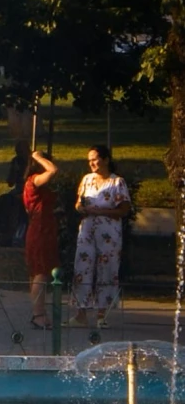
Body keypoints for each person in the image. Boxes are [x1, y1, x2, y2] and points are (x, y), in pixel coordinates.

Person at [72, 143, 131, 341]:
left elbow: (124, 209)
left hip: (109, 231)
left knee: (107, 268)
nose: (92, 164)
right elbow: (79, 201)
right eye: (89, 160)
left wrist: (100, 211)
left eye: (95, 159)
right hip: (87, 229)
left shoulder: (117, 183)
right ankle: (81, 312)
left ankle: (101, 314)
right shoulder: (87, 179)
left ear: (105, 159)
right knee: (82, 268)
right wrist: (80, 207)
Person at [22, 146, 60, 330]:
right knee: (41, 272)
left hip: (43, 228)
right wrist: (38, 156)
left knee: (39, 272)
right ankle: (38, 314)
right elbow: (53, 171)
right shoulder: (34, 180)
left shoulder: (36, 184)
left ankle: (39, 311)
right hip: (40, 230)